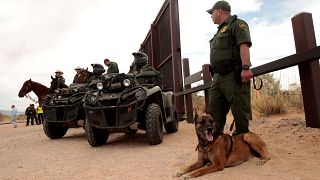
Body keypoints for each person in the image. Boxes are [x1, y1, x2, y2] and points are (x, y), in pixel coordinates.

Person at [206, 1, 253, 136]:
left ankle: (242, 141)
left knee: (239, 108)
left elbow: (243, 44)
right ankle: (215, 140)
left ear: (220, 11)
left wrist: (245, 67)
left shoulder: (237, 24)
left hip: (233, 74)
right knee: (214, 109)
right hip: (218, 77)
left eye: (212, 12)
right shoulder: (219, 32)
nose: (211, 16)